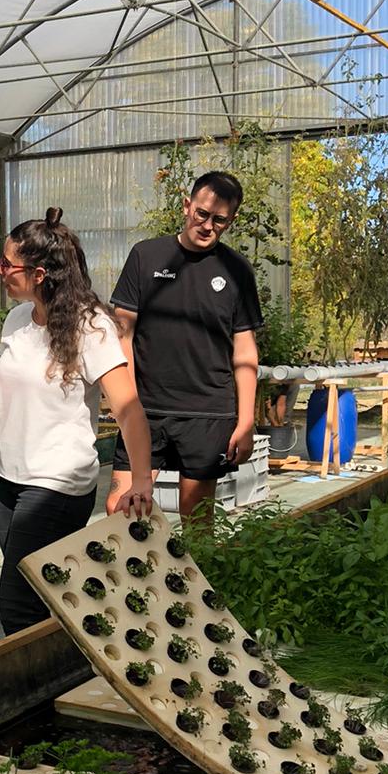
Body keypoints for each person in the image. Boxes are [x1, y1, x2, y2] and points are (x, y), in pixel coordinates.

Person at [0, 210, 154, 636]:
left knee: (17, 603)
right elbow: (21, 394)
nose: (0, 271)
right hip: (7, 478)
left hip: (55, 484)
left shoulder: (91, 327)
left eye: (8, 265)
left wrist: (140, 480)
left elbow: (128, 410)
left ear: (40, 273)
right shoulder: (17, 321)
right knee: (46, 594)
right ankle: (65, 676)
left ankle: (36, 699)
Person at [105, 170, 263, 522]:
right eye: (202, 213)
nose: (207, 225)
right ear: (187, 205)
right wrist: (126, 401)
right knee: (120, 510)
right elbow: (122, 334)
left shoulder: (237, 270)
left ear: (230, 221)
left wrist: (246, 421)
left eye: (219, 220)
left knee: (197, 519)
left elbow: (245, 353)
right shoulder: (146, 257)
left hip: (208, 412)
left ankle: (195, 578)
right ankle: (136, 579)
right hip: (146, 410)